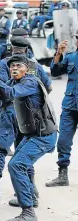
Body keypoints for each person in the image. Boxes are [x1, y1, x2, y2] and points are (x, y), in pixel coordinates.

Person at [0, 54, 57, 221]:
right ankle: (31, 197)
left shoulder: (30, 82)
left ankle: (28, 212)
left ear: (27, 69)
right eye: (12, 66)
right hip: (33, 134)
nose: (14, 69)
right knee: (20, 163)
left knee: (16, 165)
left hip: (44, 136)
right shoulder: (16, 82)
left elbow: (10, 93)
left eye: (19, 66)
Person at [0, 28, 32, 157]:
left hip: (18, 88)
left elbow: (31, 64)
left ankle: (8, 146)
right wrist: (7, 65)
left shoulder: (28, 50)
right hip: (2, 83)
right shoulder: (4, 48)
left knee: (17, 118)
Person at [46, 35, 78, 187]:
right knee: (64, 140)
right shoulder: (71, 57)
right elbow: (55, 71)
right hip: (70, 105)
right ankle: (62, 175)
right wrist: (59, 53)